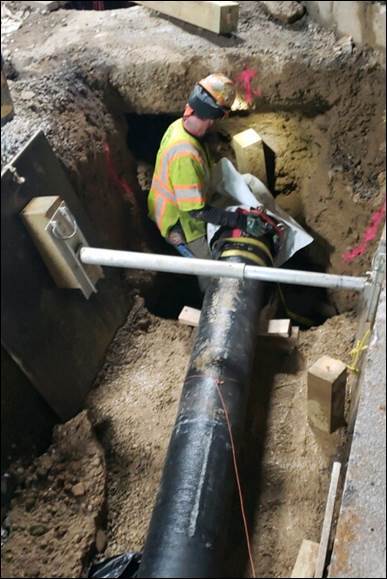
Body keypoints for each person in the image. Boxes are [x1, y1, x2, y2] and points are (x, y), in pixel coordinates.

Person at [148, 73, 276, 259]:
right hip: (182, 223)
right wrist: (239, 221)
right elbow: (196, 211)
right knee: (212, 271)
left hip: (176, 206)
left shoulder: (179, 125)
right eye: (212, 120)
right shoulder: (185, 155)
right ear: (209, 116)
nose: (212, 125)